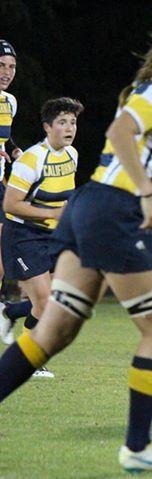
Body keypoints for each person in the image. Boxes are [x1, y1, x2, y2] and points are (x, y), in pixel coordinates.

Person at [0, 9, 152, 474]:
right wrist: (148, 196)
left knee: (54, 332)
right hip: (114, 213)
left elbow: (149, 159)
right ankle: (138, 446)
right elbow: (119, 133)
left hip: (89, 207)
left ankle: (139, 446)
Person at [1, 97, 84, 379]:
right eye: (62, 122)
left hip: (53, 236)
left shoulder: (71, 155)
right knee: (46, 304)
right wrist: (53, 213)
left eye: (72, 122)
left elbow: (66, 198)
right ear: (47, 127)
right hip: (24, 235)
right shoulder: (31, 160)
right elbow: (10, 205)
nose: (69, 127)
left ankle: (11, 313)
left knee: (59, 301)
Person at [0, 39, 31, 346]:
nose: (7, 72)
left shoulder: (9, 101)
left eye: (11, 67)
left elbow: (5, 138)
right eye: (1, 66)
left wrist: (15, 149)